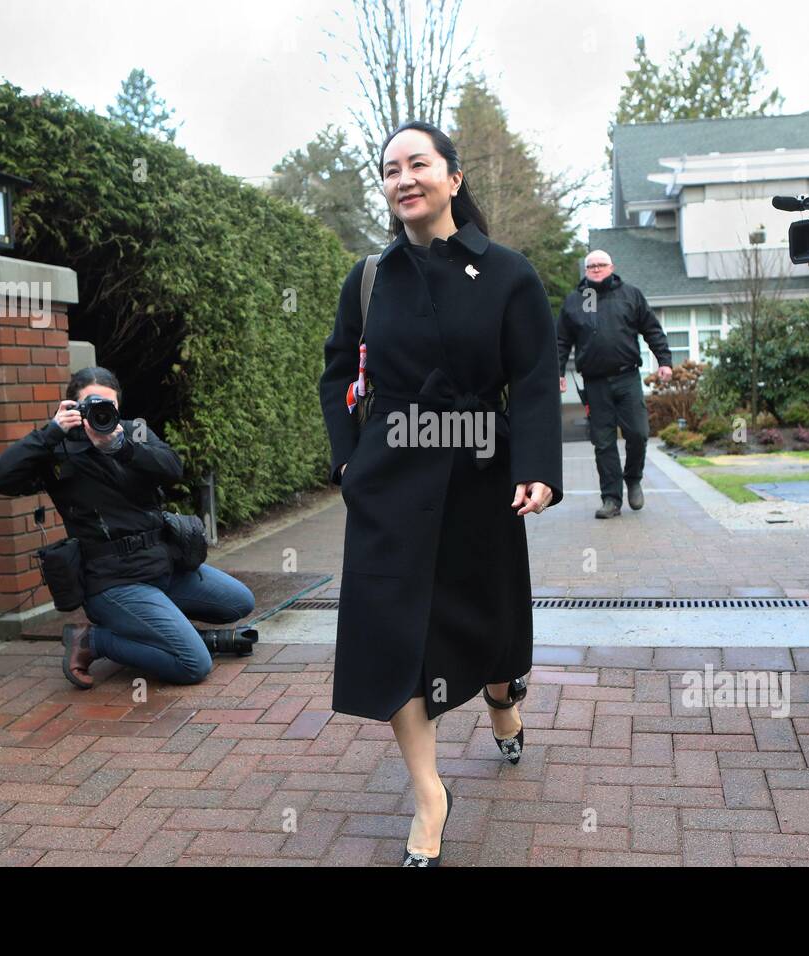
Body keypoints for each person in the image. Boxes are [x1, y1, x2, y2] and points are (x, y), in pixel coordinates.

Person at [318, 120, 563, 866]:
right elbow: (337, 375)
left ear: (453, 178)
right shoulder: (368, 278)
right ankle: (430, 792)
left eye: (417, 164)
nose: (403, 179)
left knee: (483, 615)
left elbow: (530, 380)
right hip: (389, 479)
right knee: (387, 630)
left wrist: (539, 466)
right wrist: (349, 462)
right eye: (390, 170)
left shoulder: (509, 274)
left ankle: (501, 698)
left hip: (478, 470)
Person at [0, 366, 254, 689]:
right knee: (193, 664)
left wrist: (121, 447)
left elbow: (173, 468)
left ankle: (161, 628)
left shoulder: (131, 434)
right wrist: (50, 432)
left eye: (107, 406)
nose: (100, 412)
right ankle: (94, 640)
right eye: (90, 405)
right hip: (113, 581)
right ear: (73, 407)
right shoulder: (57, 449)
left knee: (240, 602)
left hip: (163, 566)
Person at [556, 249, 672, 518]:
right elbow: (561, 341)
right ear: (585, 271)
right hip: (595, 383)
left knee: (639, 434)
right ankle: (611, 498)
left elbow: (652, 330)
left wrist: (664, 361)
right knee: (603, 442)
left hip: (627, 377)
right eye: (591, 266)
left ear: (612, 267)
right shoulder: (575, 301)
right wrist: (557, 373)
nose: (596, 269)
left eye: (601, 265)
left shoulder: (630, 295)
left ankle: (633, 478)